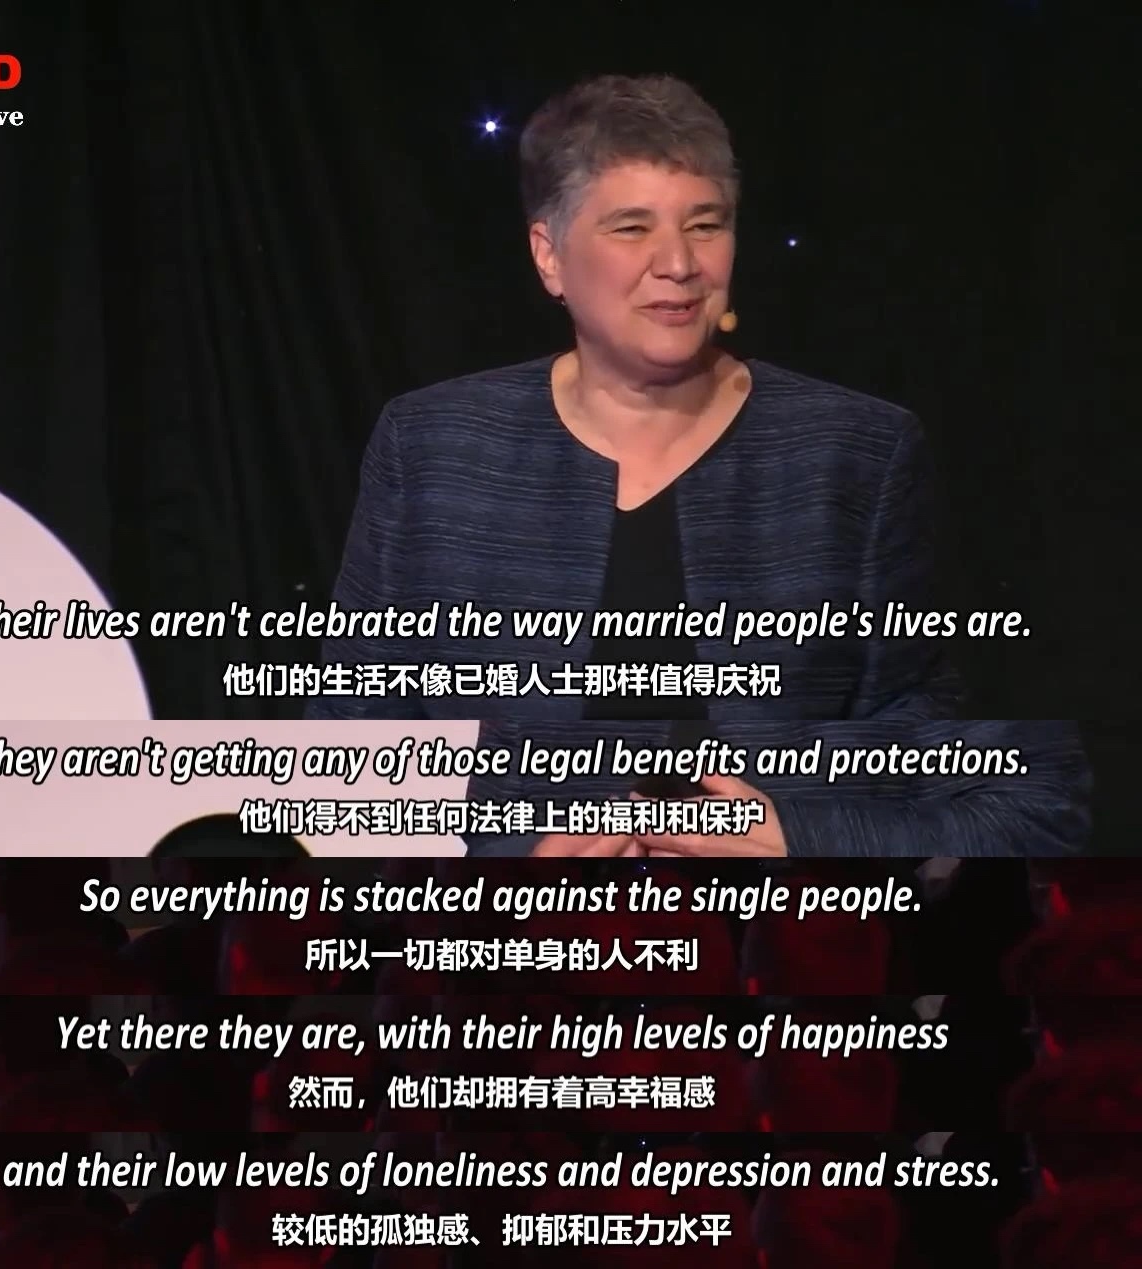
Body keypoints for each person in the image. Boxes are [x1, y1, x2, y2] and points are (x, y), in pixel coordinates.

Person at [308, 74, 1090, 858]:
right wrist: (512, 861)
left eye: (705, 224)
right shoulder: (432, 444)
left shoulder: (859, 452)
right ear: (549, 256)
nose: (679, 263)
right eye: (631, 228)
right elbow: (340, 770)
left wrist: (801, 838)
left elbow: (996, 786)